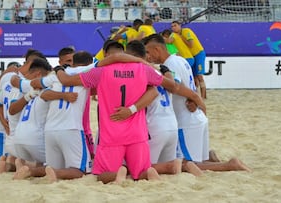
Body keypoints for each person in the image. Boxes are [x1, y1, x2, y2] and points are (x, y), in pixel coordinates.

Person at [51, 40, 205, 183]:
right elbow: (170, 87)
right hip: (137, 133)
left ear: (106, 55)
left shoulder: (100, 71)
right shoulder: (144, 69)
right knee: (142, 172)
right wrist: (195, 98)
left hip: (112, 134)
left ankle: (121, 172)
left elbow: (67, 81)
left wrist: (58, 69)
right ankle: (169, 167)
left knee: (101, 175)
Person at [142, 34, 251, 172]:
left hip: (186, 121)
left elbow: (175, 87)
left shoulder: (169, 64)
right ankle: (212, 158)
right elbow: (190, 83)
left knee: (188, 164)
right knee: (197, 161)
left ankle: (229, 165)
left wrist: (196, 98)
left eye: (148, 52)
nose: (148, 56)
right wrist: (195, 99)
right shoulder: (181, 60)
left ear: (157, 49)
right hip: (195, 117)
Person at [43, 51, 94, 182]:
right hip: (71, 128)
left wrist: (59, 70)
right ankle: (55, 172)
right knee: (81, 170)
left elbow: (38, 89)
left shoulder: (56, 76)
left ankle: (32, 170)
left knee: (57, 167)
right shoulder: (88, 71)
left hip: (49, 129)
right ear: (89, 62)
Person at [171, 20, 207, 99]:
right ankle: (197, 95)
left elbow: (191, 44)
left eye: (175, 25)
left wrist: (182, 38)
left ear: (180, 25)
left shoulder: (186, 31)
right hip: (191, 55)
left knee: (199, 75)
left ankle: (204, 96)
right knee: (194, 76)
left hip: (198, 53)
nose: (173, 28)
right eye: (172, 26)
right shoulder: (175, 36)